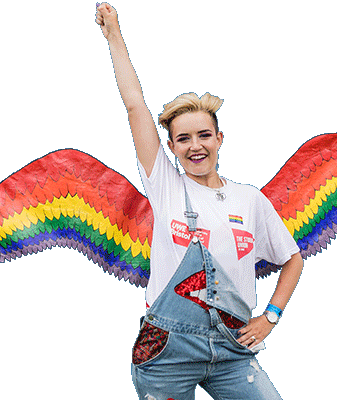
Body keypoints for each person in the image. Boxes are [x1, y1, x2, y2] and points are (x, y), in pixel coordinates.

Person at [96, 4, 304, 399]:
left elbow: (292, 258)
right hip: (168, 350)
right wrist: (115, 36)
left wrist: (271, 317)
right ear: (171, 147)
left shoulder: (250, 199)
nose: (196, 146)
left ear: (219, 138)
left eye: (204, 135)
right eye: (184, 139)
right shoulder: (166, 186)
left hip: (233, 347)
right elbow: (135, 105)